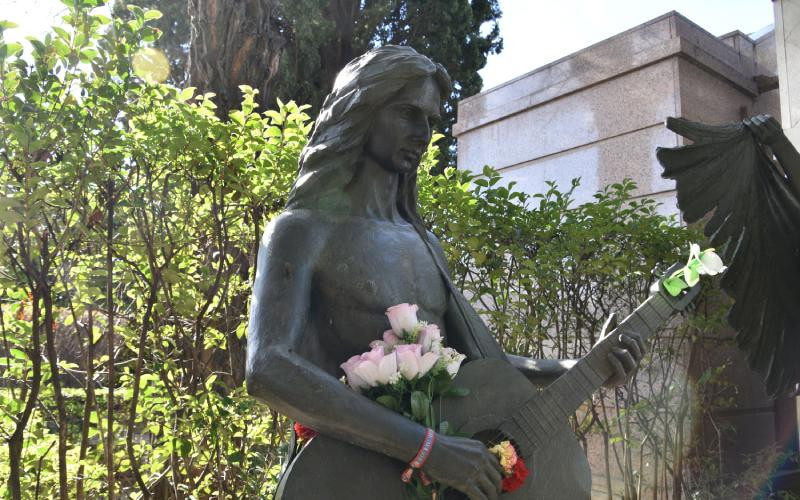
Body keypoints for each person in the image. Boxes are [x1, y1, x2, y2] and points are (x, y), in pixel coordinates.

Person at [246, 45, 644, 500]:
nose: (424, 133)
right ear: (362, 110)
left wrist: (581, 368)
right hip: (346, 481)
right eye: (408, 113)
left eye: (431, 121)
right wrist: (426, 448)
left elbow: (477, 363)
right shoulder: (301, 231)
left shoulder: (424, 245)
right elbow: (268, 368)